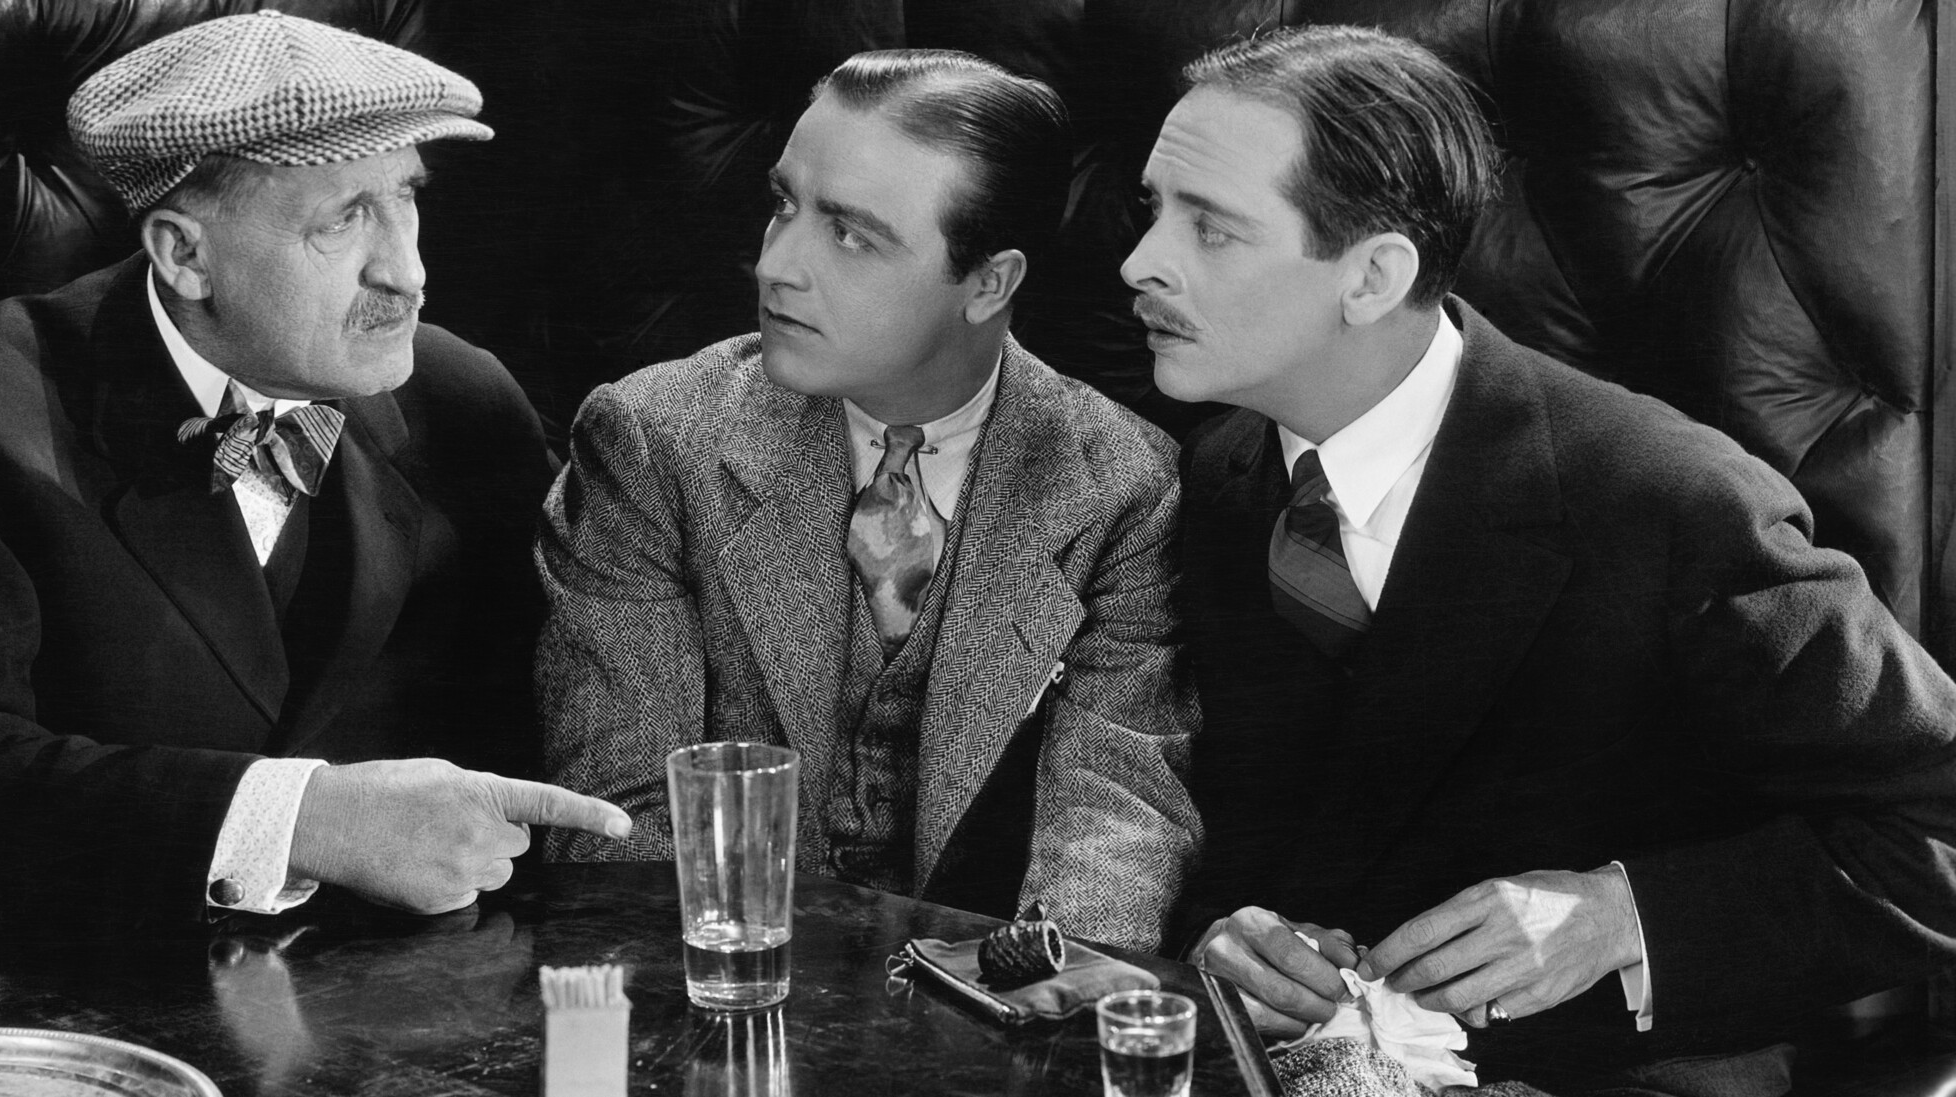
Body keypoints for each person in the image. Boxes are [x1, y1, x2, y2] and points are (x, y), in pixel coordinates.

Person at [1131, 24, 1956, 1090]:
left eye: (1211, 229)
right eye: (1152, 210)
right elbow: (1223, 815)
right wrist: (1223, 932)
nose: (1139, 263)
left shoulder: (1673, 501)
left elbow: (1937, 828)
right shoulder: (1216, 479)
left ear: (1373, 275)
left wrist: (1622, 916)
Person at [0, 11, 628, 930]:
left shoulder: (465, 402)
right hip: (105, 974)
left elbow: (552, 708)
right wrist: (298, 820)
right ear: (184, 254)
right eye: (344, 218)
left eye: (406, 196)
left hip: (429, 981)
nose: (408, 273)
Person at [538, 49, 1200, 947]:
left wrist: (1034, 996)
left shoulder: (1124, 489)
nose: (775, 265)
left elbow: (1114, 823)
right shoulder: (651, 442)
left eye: (851, 235)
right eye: (784, 204)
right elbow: (620, 822)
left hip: (980, 997)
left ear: (990, 283)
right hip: (729, 979)